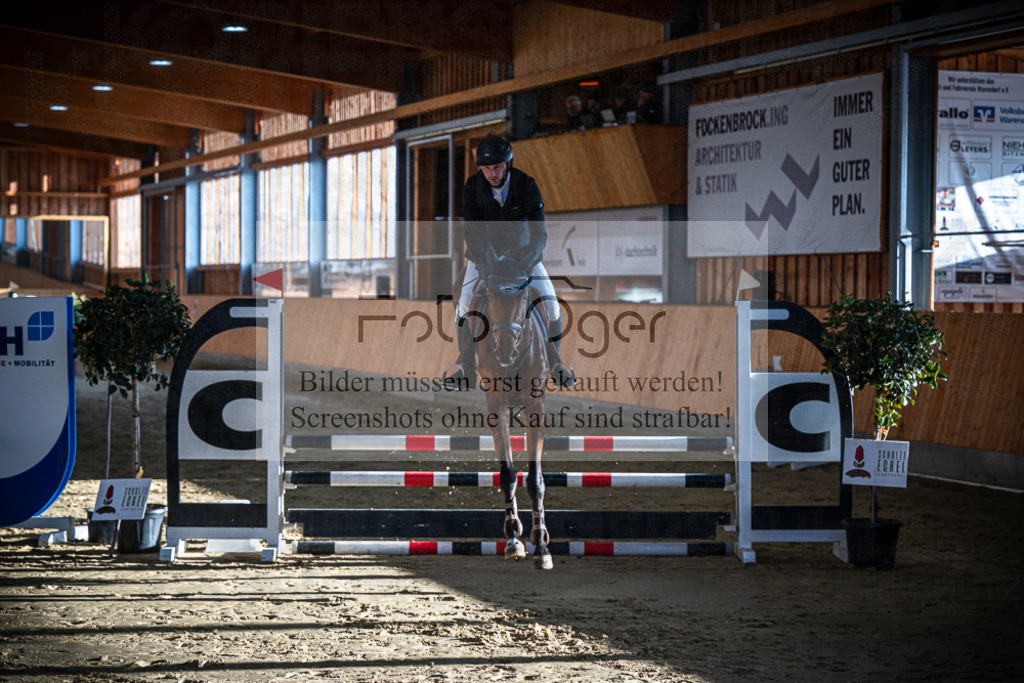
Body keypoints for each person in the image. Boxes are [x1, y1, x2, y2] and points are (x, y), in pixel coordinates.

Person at [447, 133, 576, 389]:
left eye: (496, 167)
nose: (492, 173)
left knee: (551, 304)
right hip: (484, 258)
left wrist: (523, 263)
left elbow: (540, 234)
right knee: (463, 305)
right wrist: (486, 265)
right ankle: (466, 368)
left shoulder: (526, 185)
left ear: (507, 164)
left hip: (523, 258)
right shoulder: (473, 188)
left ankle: (555, 364)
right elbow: (471, 232)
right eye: (486, 169)